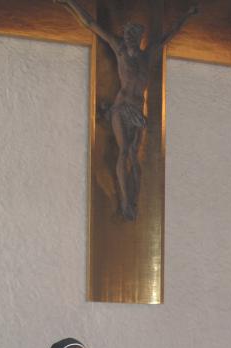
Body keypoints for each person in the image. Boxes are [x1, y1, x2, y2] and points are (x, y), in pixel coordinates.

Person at [55, 0, 198, 221]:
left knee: (134, 154)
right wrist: (70, 3)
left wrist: (187, 15)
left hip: (137, 111)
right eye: (128, 33)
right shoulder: (119, 50)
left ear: (140, 38)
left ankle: (133, 202)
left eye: (134, 34)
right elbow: (91, 24)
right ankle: (124, 201)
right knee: (124, 151)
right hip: (121, 108)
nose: (130, 37)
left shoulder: (147, 55)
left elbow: (169, 35)